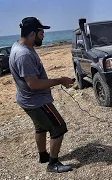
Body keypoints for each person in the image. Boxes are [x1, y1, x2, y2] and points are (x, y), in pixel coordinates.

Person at [9, 17, 75, 173]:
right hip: (36, 101)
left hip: (27, 99)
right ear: (32, 33)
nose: (44, 35)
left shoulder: (20, 46)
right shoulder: (23, 54)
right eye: (41, 32)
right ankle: (53, 164)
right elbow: (34, 84)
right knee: (59, 127)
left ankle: (43, 155)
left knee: (40, 127)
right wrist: (60, 80)